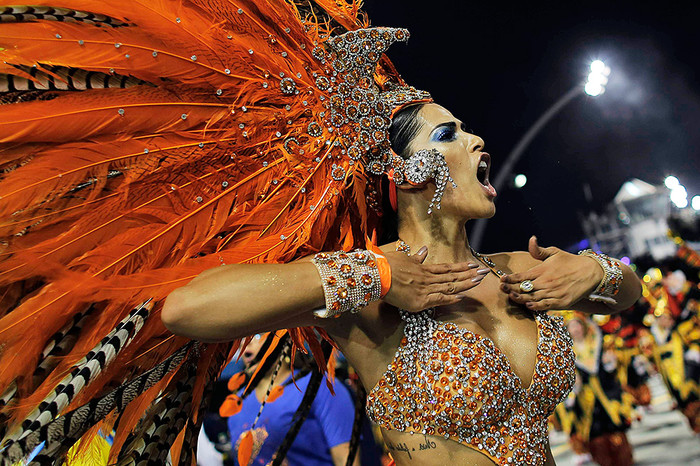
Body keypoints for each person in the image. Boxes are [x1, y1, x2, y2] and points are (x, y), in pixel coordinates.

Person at [0, 1, 642, 465]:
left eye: (468, 129)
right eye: (449, 133)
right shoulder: (367, 301)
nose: (477, 139)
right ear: (400, 170)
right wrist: (374, 273)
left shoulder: (515, 271)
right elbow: (187, 308)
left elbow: (628, 295)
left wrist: (599, 273)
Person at [226, 334, 359, 466]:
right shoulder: (236, 403)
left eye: (257, 335)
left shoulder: (320, 386)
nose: (246, 343)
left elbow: (346, 459)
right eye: (242, 337)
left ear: (285, 342)